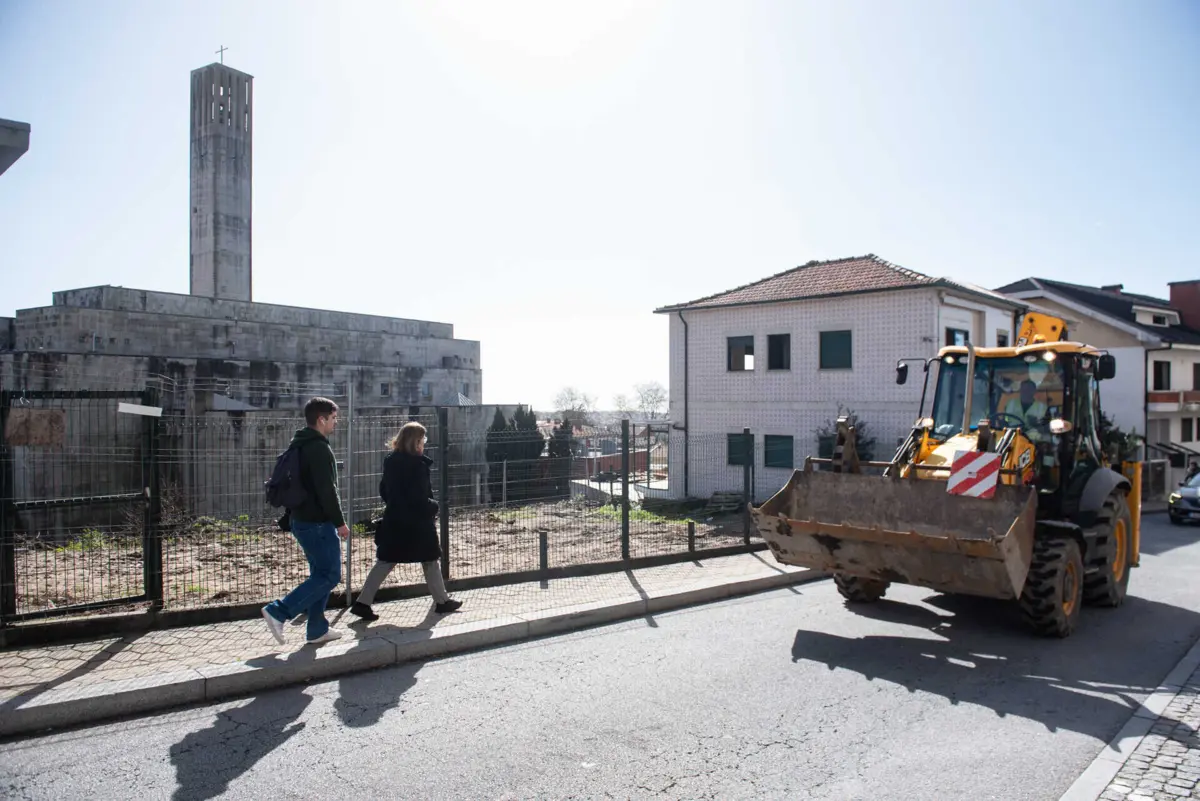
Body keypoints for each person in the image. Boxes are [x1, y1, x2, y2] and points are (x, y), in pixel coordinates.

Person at [350, 421, 462, 621]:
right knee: (430, 559)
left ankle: (362, 602)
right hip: (417, 523)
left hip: (396, 520)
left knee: (386, 561)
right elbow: (419, 497)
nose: (424, 443)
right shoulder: (417, 466)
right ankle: (442, 602)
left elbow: (384, 490)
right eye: (423, 440)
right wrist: (432, 506)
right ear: (416, 442)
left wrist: (396, 505)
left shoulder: (391, 461)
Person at [261, 397, 350, 645]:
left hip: (301, 520)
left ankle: (317, 629)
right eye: (333, 418)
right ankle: (278, 611)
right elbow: (327, 490)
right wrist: (340, 522)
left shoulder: (299, 443)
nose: (336, 422)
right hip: (318, 523)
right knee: (330, 575)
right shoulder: (319, 448)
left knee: (319, 575)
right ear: (321, 419)